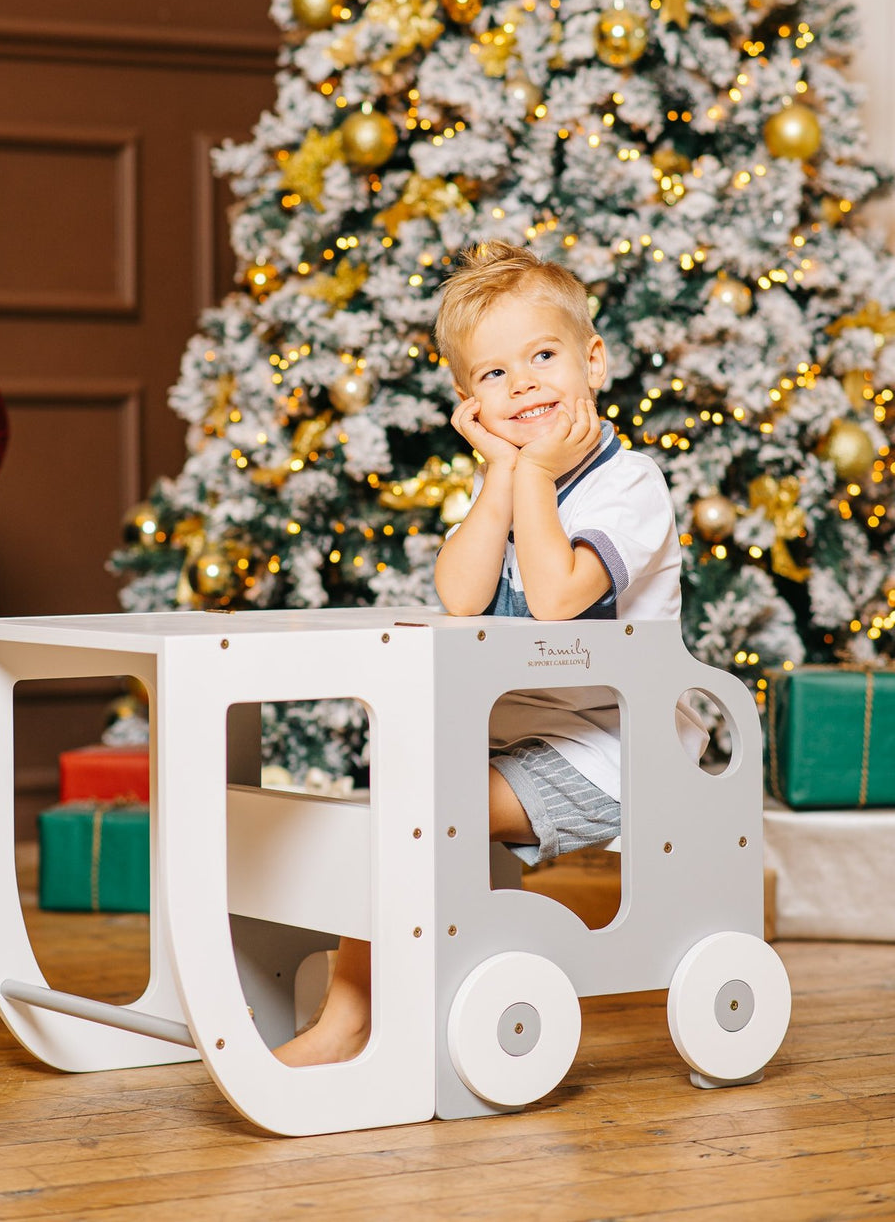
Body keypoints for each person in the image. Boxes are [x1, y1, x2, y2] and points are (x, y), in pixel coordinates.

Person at [274, 240, 706, 1068]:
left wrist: (534, 475)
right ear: (469, 399)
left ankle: (348, 1024)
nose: (526, 385)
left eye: (543, 357)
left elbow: (554, 595)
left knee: (414, 805)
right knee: (398, 793)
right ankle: (374, 1000)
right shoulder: (515, 475)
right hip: (528, 739)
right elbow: (462, 595)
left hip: (621, 752)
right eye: (496, 375)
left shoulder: (630, 486)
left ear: (593, 360)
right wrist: (501, 477)